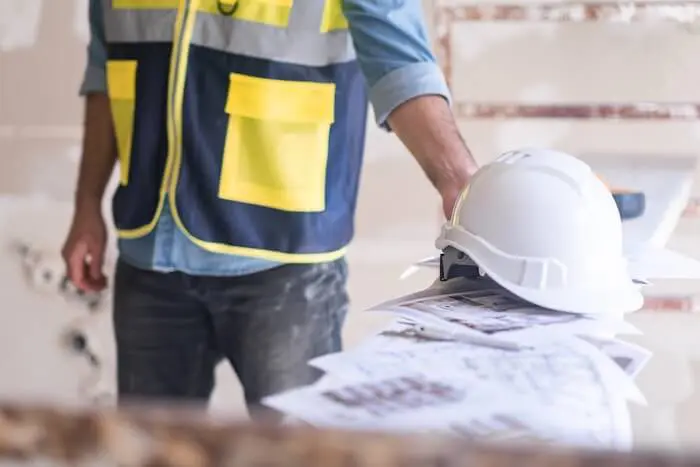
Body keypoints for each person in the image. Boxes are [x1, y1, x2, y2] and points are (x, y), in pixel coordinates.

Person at [62, 0, 478, 412]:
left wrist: (459, 182)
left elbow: (400, 64)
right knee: (149, 451)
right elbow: (107, 72)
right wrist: (86, 205)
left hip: (283, 258)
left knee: (295, 452)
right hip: (150, 251)